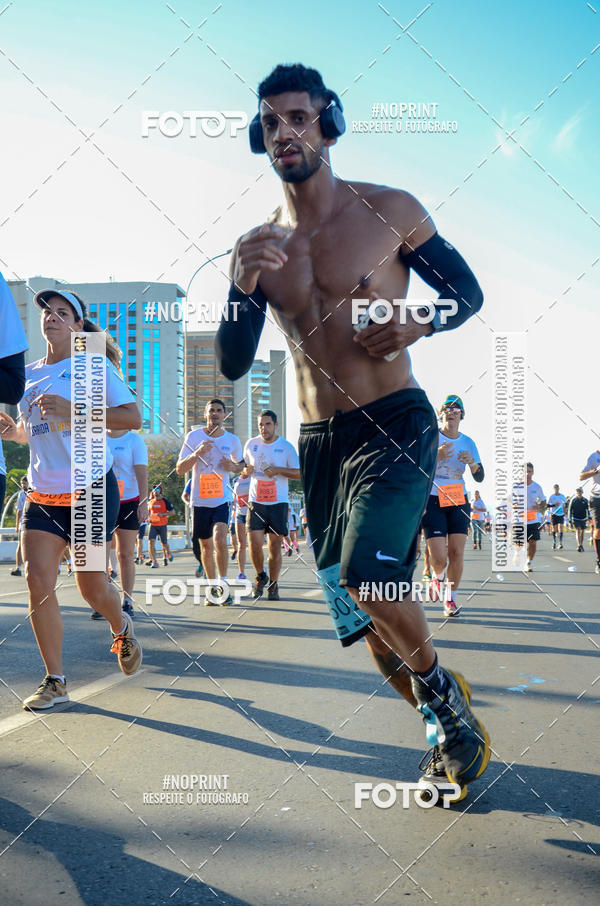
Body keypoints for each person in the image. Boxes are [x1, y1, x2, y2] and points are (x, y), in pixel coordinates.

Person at [216, 63, 490, 795]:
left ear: (328, 124)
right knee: (369, 628)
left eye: (298, 117)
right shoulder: (258, 248)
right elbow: (233, 363)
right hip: (321, 447)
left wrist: (419, 321)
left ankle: (443, 695)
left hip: (394, 420)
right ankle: (445, 728)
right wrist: (239, 286)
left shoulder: (388, 210)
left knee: (373, 578)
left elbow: (467, 293)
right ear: (260, 138)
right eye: (270, 122)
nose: (284, 132)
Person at [0, 287, 142, 709]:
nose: (52, 317)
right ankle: (56, 681)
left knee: (91, 586)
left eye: (63, 313)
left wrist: (75, 410)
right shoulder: (27, 375)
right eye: (48, 311)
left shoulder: (93, 366)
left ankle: (121, 626)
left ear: (79, 327)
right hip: (43, 493)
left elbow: (132, 418)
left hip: (91, 491)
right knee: (37, 580)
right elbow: (34, 431)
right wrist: (11, 431)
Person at [176, 399, 243, 605]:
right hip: (200, 500)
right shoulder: (194, 437)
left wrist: (232, 467)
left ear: (224, 415)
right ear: (205, 414)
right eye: (211, 410)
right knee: (205, 546)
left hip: (222, 499)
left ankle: (223, 584)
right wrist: (197, 453)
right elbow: (180, 469)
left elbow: (242, 466)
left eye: (219, 410)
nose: (215, 413)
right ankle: (212, 587)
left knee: (220, 539)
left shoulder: (232, 440)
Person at [421, 396, 484, 616]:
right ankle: (437, 576)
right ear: (441, 414)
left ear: (461, 415)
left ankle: (450, 599)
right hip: (433, 498)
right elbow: (415, 465)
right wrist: (434, 455)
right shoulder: (431, 436)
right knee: (439, 558)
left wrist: (473, 463)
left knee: (457, 552)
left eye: (456, 409)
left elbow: (480, 476)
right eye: (447, 409)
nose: (451, 412)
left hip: (458, 499)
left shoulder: (468, 442)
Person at [243, 410, 300, 600]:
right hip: (256, 501)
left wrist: (278, 470)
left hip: (277, 503)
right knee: (254, 543)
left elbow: (299, 473)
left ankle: (274, 585)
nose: (263, 428)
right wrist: (245, 470)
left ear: (276, 425)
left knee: (275, 546)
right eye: (260, 424)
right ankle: (261, 576)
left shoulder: (286, 447)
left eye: (267, 424)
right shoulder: (251, 444)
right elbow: (244, 468)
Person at [96, 428, 149, 619]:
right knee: (99, 554)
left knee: (124, 554)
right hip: (103, 500)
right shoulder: (97, 436)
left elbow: (142, 474)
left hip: (129, 501)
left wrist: (143, 503)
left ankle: (127, 600)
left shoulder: (134, 440)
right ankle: (102, 600)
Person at [0, 272, 27, 405]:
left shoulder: (85, 367)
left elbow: (13, 390)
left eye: (62, 313)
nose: (52, 318)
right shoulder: (33, 370)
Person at [513, 463, 546, 571]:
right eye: (525, 471)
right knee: (519, 544)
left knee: (533, 542)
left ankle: (528, 562)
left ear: (533, 472)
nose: (527, 474)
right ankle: (517, 553)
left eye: (529, 471)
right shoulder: (516, 486)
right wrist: (514, 505)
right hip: (519, 519)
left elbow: (543, 501)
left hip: (533, 519)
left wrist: (539, 506)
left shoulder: (537, 487)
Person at [580, 449, 600, 573]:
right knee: (598, 531)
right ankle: (599, 561)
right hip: (596, 498)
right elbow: (581, 476)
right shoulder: (593, 457)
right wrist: (597, 470)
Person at [146, 486, 174, 568]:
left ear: (160, 491)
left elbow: (173, 512)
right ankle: (154, 562)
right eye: (154, 490)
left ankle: (169, 552)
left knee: (164, 543)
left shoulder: (165, 501)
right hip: (153, 525)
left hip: (162, 525)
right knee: (151, 542)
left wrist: (163, 514)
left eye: (157, 489)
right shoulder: (151, 502)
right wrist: (148, 519)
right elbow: (148, 513)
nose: (155, 491)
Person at [232, 473, 251, 579]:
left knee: (254, 544)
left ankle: (260, 568)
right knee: (241, 544)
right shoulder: (235, 481)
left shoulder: (253, 478)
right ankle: (241, 573)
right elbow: (234, 499)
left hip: (252, 514)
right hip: (240, 515)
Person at [11, 475, 29, 576]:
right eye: (22, 484)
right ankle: (18, 568)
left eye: (25, 483)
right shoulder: (21, 494)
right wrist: (17, 525)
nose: (23, 485)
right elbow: (19, 510)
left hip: (33, 523)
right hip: (23, 524)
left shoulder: (34, 493)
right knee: (20, 546)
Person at [568, 487, 589, 553]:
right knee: (578, 530)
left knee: (582, 532)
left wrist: (589, 517)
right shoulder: (573, 500)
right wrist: (569, 519)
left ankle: (581, 544)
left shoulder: (585, 500)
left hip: (583, 518)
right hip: (576, 518)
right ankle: (579, 545)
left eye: (579, 491)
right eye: (577, 491)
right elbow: (570, 510)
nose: (578, 492)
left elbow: (588, 509)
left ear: (582, 492)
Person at [547, 484, 567, 550]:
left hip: (561, 514)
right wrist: (554, 505)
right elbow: (548, 505)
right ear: (554, 489)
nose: (556, 489)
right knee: (554, 529)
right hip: (554, 514)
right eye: (555, 488)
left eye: (557, 488)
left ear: (559, 488)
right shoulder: (552, 496)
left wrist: (565, 510)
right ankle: (554, 542)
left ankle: (560, 543)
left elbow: (566, 503)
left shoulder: (562, 496)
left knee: (560, 528)